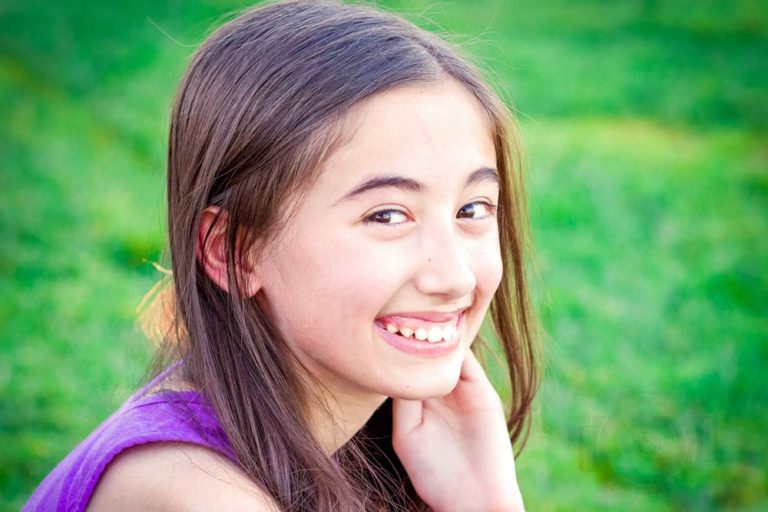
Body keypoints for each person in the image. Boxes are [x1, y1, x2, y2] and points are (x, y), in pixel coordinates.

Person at [24, 0, 538, 510]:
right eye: (387, 216)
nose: (453, 276)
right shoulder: (201, 495)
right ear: (235, 251)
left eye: (472, 208)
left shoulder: (329, 435)